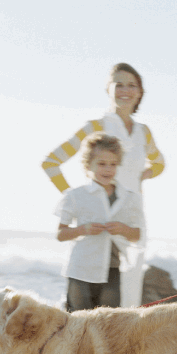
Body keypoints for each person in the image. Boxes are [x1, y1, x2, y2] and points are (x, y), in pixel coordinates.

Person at [42, 62, 165, 307]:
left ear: (140, 92)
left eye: (132, 85)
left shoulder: (144, 132)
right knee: (88, 304)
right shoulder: (95, 127)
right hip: (99, 224)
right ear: (108, 89)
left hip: (131, 220)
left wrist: (140, 177)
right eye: (119, 84)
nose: (125, 91)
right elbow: (51, 163)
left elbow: (160, 164)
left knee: (129, 297)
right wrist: (78, 200)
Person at [54, 132, 142, 312]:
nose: (108, 169)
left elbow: (136, 236)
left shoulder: (128, 198)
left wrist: (123, 229)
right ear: (88, 165)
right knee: (78, 322)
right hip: (80, 270)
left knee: (108, 325)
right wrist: (82, 229)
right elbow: (60, 234)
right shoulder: (75, 196)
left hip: (112, 270)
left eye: (113, 164)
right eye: (101, 164)